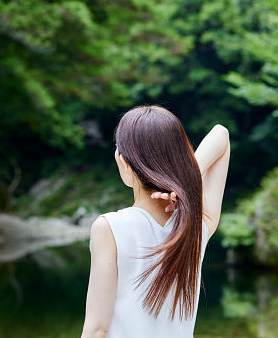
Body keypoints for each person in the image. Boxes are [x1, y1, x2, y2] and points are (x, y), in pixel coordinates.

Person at [81, 106, 230, 338]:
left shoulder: (109, 228)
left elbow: (96, 329)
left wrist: (181, 183)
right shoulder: (196, 227)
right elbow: (221, 135)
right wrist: (184, 180)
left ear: (124, 162)